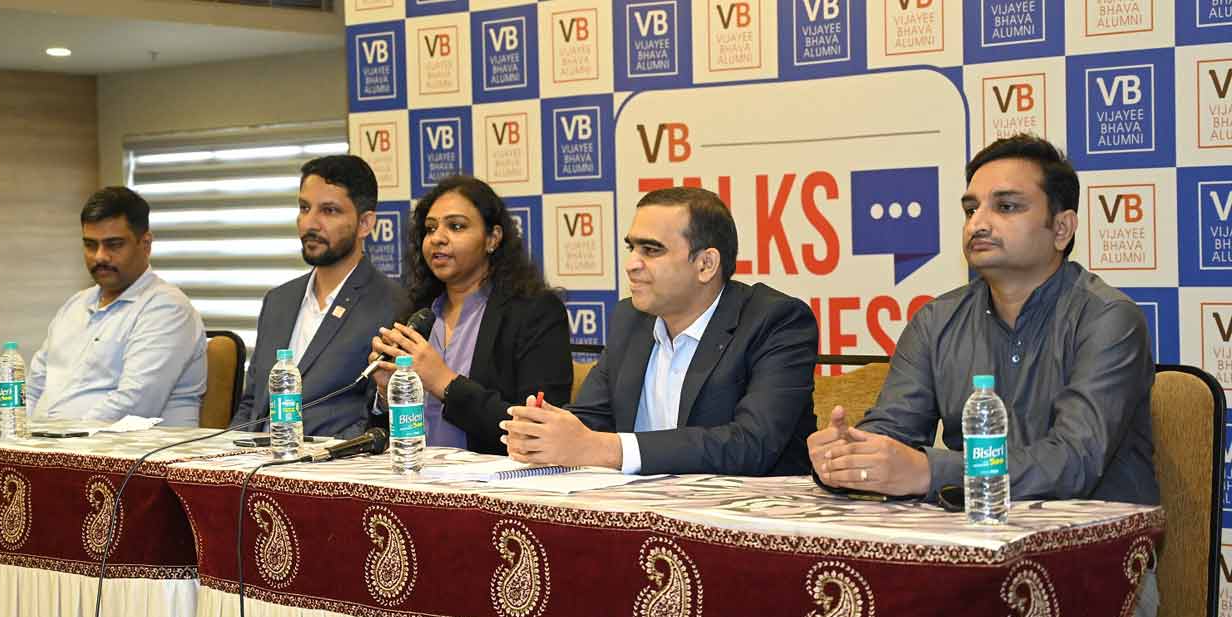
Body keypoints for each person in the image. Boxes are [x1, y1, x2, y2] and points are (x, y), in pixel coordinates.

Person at [807, 134, 1157, 617]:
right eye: (971, 208)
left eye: (1006, 206)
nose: (979, 223)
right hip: (963, 561)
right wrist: (848, 458)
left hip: (1096, 571)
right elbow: (891, 433)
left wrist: (928, 470)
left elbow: (1074, 462)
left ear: (1062, 228)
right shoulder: (937, 320)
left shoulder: (1108, 320)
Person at [500, 187, 818, 476]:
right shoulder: (630, 318)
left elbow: (751, 444)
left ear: (706, 264)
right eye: (632, 248)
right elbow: (591, 420)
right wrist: (544, 435)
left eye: (651, 250)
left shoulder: (775, 321)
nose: (631, 264)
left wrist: (607, 449)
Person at [368, 175, 571, 453]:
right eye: (430, 229)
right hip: (416, 477)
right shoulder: (418, 313)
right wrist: (386, 392)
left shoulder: (534, 312)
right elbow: (380, 431)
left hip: (496, 483)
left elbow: (540, 428)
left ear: (493, 238)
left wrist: (444, 382)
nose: (437, 238)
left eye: (456, 226)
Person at [232, 155, 410, 439]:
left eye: (329, 211)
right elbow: (252, 403)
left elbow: (377, 419)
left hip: (329, 468)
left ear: (365, 223)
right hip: (253, 463)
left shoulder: (393, 305)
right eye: (304, 208)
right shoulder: (278, 300)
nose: (310, 223)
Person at [27, 187, 207, 426]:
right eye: (90, 245)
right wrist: (20, 436)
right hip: (51, 448)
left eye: (114, 244)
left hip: (131, 453)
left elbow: (135, 404)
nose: (100, 256)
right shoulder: (75, 305)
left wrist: (60, 441)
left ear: (146, 243)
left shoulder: (166, 307)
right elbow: (33, 387)